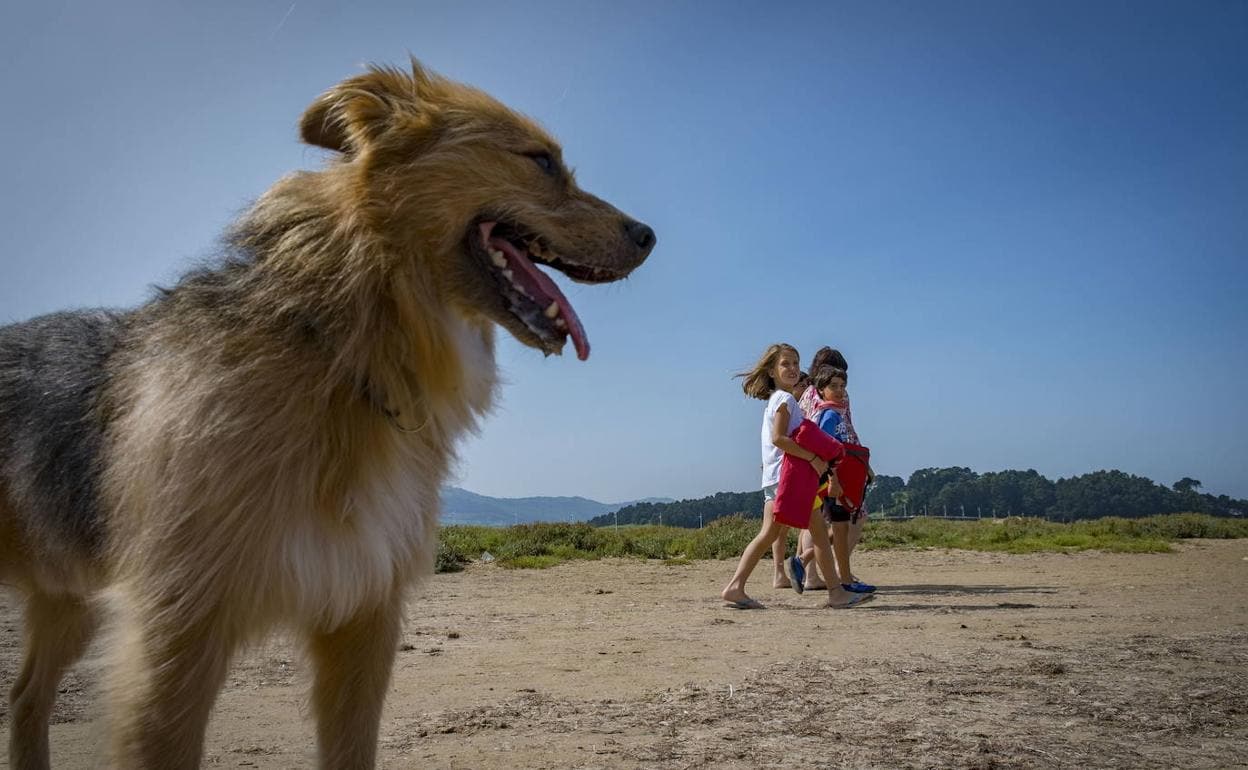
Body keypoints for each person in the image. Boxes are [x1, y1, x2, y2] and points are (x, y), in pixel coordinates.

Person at [720, 344, 873, 609]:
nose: (792, 369)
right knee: (818, 537)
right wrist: (814, 459)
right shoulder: (786, 400)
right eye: (785, 364)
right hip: (789, 480)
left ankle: (735, 586)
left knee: (769, 534)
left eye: (795, 363)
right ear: (771, 370)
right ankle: (836, 593)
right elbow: (779, 439)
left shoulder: (777, 401)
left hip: (775, 480)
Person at [794, 355, 877, 592]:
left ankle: (814, 570)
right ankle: (841, 578)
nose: (841, 390)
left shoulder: (809, 399)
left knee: (823, 525)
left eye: (843, 385)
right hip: (835, 474)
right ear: (822, 384)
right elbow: (830, 443)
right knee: (842, 525)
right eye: (835, 384)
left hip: (820, 472)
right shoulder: (830, 412)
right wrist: (836, 477)